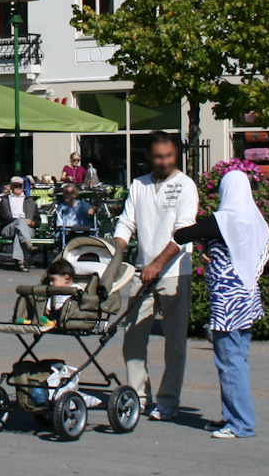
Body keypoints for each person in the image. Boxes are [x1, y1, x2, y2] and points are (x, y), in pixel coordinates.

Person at [172, 169, 268, 439]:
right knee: (239, 358)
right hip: (246, 298)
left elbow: (182, 235)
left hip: (227, 302)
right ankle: (232, 416)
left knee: (228, 361)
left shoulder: (223, 219)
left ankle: (240, 424)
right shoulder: (253, 219)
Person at [112, 131, 197, 422]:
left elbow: (184, 233)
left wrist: (159, 263)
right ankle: (138, 395)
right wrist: (113, 251)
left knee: (174, 342)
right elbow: (127, 222)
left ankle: (168, 400)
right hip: (141, 272)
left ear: (177, 155)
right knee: (132, 338)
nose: (164, 161)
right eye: (159, 156)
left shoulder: (185, 186)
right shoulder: (139, 184)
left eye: (169, 156)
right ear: (148, 156)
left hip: (175, 273)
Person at [0, 177, 39, 268]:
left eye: (20, 186)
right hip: (9, 228)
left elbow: (37, 220)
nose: (18, 188)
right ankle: (29, 246)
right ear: (11, 187)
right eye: (16, 185)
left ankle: (19, 262)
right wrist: (18, 221)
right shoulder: (5, 200)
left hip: (27, 230)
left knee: (19, 233)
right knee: (20, 222)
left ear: (23, 187)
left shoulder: (30, 200)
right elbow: (2, 217)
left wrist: (32, 223)